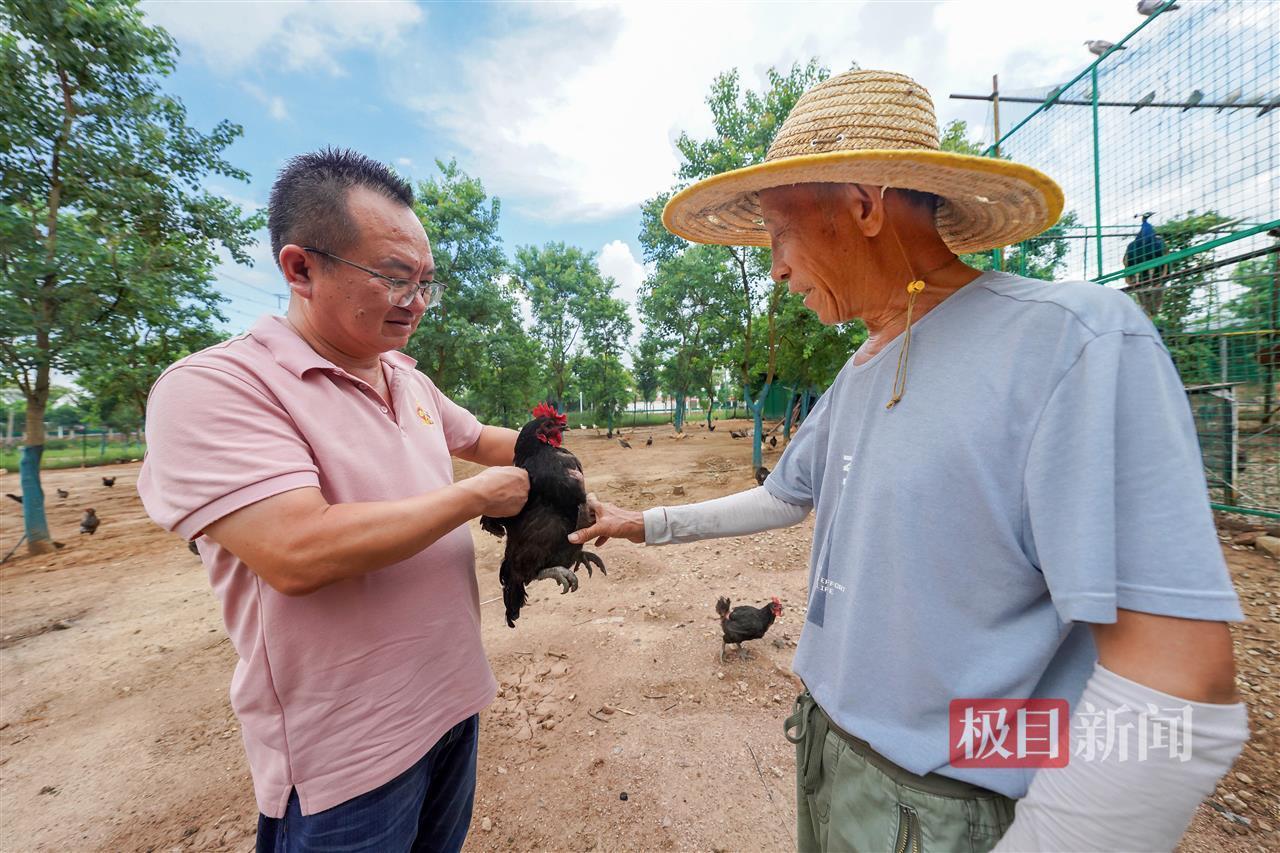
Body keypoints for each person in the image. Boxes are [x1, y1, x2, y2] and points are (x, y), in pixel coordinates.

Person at [571, 70, 1248, 852]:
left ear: (861, 203)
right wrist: (641, 522)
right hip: (829, 755)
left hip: (946, 806)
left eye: (777, 232)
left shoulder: (1071, 342)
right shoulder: (860, 371)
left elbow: (1177, 687)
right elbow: (786, 497)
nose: (774, 268)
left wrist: (973, 766)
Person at [137, 148, 529, 853]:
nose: (415, 301)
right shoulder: (217, 388)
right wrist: (472, 498)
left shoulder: (407, 379)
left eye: (426, 283)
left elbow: (486, 438)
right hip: (346, 759)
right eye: (395, 278)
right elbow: (297, 548)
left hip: (450, 705)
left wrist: (553, 457)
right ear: (300, 268)